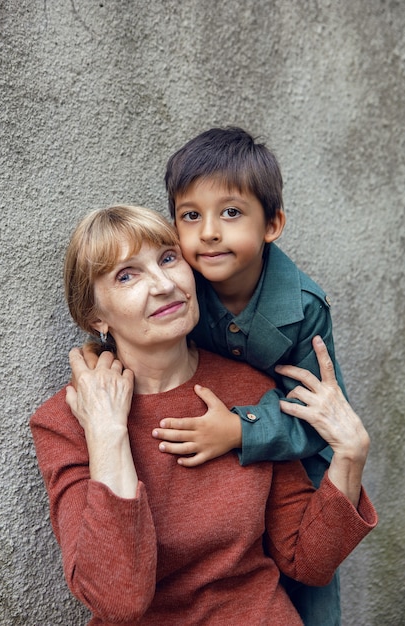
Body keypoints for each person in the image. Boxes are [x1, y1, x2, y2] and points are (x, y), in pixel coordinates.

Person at [30, 204, 377, 626]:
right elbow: (117, 600)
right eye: (127, 275)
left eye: (167, 258)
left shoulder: (251, 390)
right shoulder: (64, 421)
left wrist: (350, 456)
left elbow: (307, 561)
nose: (163, 284)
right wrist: (106, 432)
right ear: (95, 317)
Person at [156, 126, 349, 624]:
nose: (209, 232)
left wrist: (241, 429)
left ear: (273, 224)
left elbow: (323, 418)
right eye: (190, 216)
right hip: (211, 463)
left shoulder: (303, 307)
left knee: (309, 589)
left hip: (293, 460)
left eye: (231, 213)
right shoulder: (181, 286)